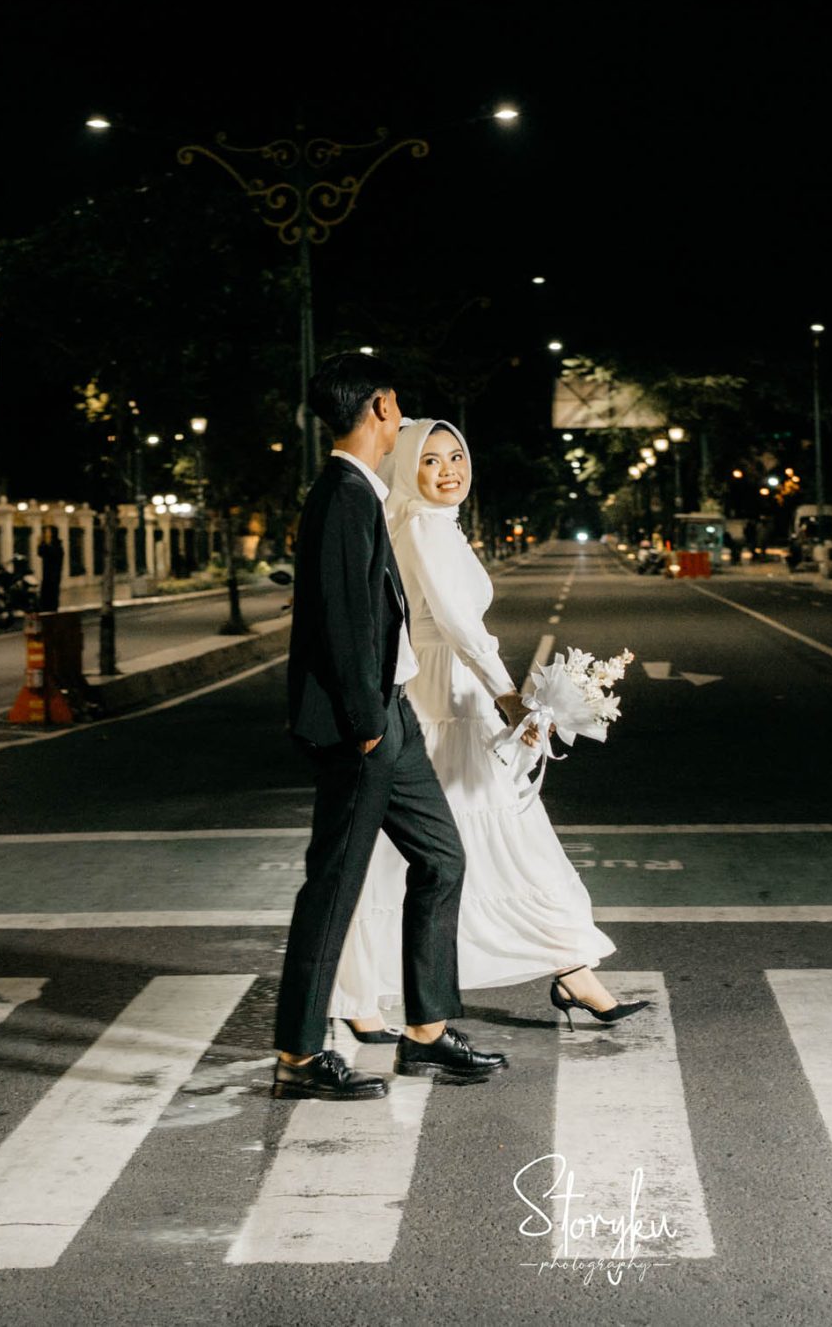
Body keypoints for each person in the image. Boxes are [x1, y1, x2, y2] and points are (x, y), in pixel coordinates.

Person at [330, 419, 648, 1043]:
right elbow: (457, 624)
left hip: (453, 691)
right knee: (450, 842)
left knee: (466, 840)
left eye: (456, 456)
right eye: (430, 461)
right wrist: (508, 695)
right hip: (444, 699)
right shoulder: (423, 526)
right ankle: (361, 991)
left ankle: (571, 970)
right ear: (408, 470)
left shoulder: (431, 523)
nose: (448, 470)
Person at [270, 353, 506, 1101]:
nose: (400, 415)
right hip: (365, 725)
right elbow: (341, 622)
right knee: (334, 886)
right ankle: (298, 1056)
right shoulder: (343, 495)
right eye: (396, 404)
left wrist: (386, 712)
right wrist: (367, 722)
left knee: (442, 859)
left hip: (391, 712)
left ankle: (427, 1034)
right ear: (379, 407)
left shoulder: (361, 492)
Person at [36, 525, 64, 613]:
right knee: (45, 591)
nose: (47, 534)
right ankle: (44, 608)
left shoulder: (57, 545)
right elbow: (40, 553)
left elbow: (53, 555)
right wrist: (40, 544)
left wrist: (46, 545)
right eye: (46, 532)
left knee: (53, 592)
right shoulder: (46, 544)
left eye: (48, 532)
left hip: (54, 574)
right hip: (46, 573)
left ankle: (52, 609)